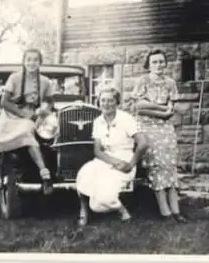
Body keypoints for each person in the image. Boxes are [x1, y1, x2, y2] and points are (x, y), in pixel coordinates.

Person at [0, 48, 54, 207]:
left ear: (40, 62)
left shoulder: (46, 81)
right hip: (10, 114)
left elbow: (49, 100)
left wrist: (44, 108)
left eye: (35, 60)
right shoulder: (14, 78)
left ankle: (45, 176)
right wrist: (22, 114)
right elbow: (4, 102)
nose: (32, 63)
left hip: (32, 115)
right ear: (24, 61)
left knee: (28, 134)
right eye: (29, 59)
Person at [76, 86, 148, 226]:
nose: (106, 104)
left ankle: (121, 210)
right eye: (103, 100)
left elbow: (143, 144)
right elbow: (97, 151)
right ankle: (83, 212)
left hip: (125, 160)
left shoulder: (127, 119)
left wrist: (130, 164)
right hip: (105, 159)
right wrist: (113, 161)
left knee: (103, 199)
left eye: (110, 100)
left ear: (117, 102)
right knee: (83, 174)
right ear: (99, 102)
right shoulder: (98, 121)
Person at [132, 49, 188, 223]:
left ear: (165, 64)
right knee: (156, 166)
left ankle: (176, 210)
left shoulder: (170, 83)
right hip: (147, 127)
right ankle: (165, 212)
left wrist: (158, 109)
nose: (158, 65)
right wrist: (161, 108)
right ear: (148, 65)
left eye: (161, 62)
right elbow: (139, 106)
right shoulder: (143, 81)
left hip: (165, 128)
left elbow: (171, 111)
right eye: (154, 62)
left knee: (170, 165)